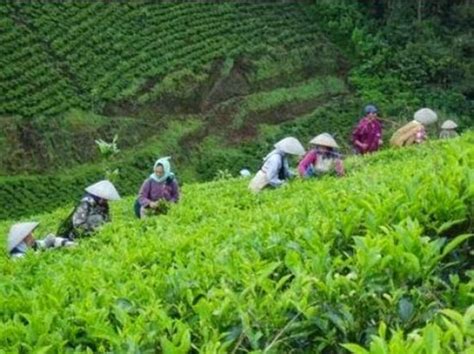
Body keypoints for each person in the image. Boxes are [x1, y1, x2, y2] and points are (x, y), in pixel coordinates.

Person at [7, 222, 75, 258]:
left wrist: (65, 243)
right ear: (22, 239)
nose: (33, 237)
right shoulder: (16, 256)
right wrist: (51, 250)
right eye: (29, 236)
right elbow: (33, 258)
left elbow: (45, 243)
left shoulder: (32, 245)